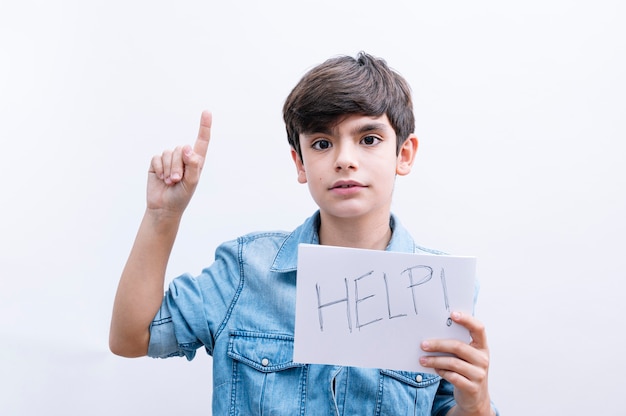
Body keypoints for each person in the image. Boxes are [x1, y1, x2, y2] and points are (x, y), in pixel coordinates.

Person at [110, 51, 498, 415]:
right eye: (322, 143)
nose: (345, 160)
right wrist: (163, 214)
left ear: (404, 154)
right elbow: (132, 338)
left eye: (369, 139)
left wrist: (475, 403)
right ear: (300, 162)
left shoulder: (444, 290)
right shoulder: (245, 271)